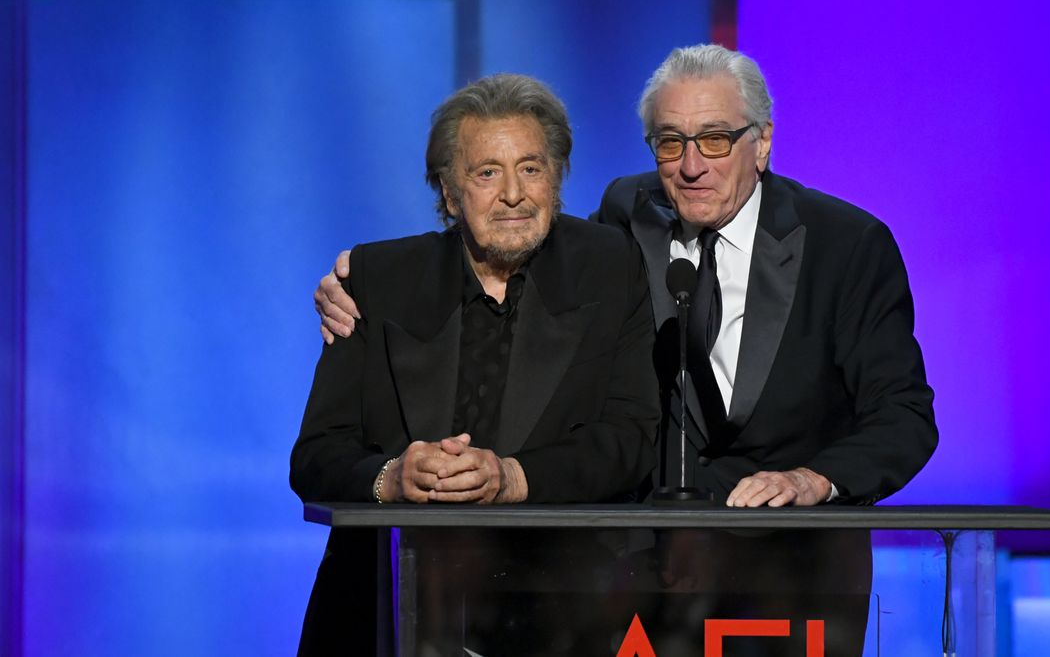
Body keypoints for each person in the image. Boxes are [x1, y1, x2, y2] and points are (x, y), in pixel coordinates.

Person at [315, 45, 938, 654]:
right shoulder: (627, 214)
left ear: (763, 142)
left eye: (716, 138)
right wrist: (358, 281)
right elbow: (518, 239)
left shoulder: (848, 245)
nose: (692, 165)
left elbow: (904, 417)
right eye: (671, 141)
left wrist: (816, 479)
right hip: (651, 579)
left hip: (792, 579)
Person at [291, 73, 659, 655]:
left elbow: (633, 438)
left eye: (531, 168)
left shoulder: (610, 267)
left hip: (556, 612)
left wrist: (513, 478)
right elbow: (315, 456)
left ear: (557, 178)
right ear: (448, 190)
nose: (513, 193)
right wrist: (393, 479)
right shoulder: (376, 279)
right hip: (388, 606)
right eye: (487, 172)